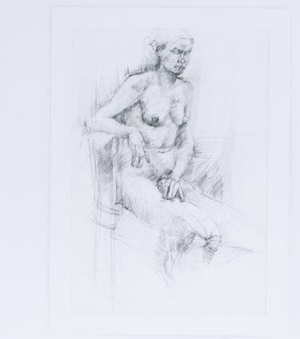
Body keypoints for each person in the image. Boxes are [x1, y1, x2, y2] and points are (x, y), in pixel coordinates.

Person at [84, 33, 225, 276]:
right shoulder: (139, 84)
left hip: (168, 179)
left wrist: (176, 176)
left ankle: (196, 282)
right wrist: (130, 131)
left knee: (218, 232)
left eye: (187, 53)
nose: (182, 59)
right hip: (137, 177)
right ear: (160, 51)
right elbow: (94, 121)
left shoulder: (185, 90)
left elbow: (185, 139)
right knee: (195, 231)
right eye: (176, 52)